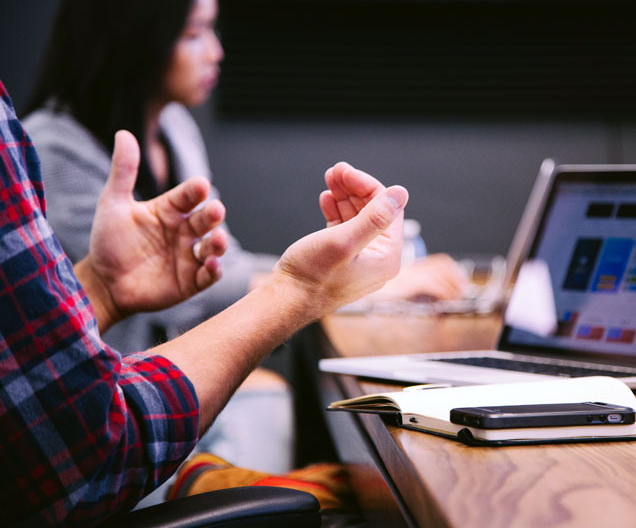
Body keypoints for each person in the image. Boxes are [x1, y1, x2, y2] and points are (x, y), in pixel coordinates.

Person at [0, 79, 409, 524]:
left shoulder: (176, 126)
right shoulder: (51, 142)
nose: (216, 51)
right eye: (195, 32)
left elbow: (22, 361)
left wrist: (100, 288)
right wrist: (300, 290)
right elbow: (88, 449)